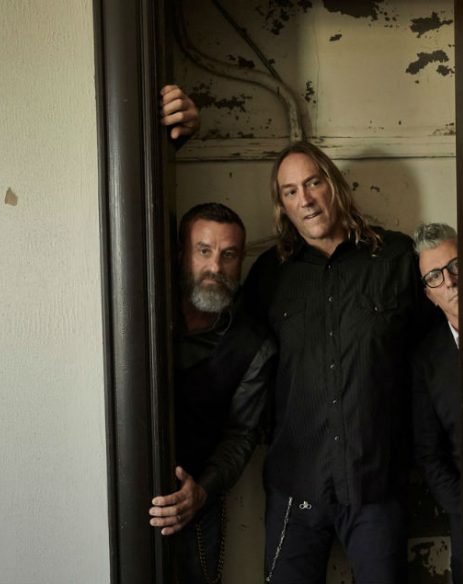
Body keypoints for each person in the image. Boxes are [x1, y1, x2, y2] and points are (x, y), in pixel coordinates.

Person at [243, 141, 429, 584]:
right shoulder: (270, 273)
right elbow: (244, 362)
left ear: (335, 186)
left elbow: (433, 354)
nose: (305, 199)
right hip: (296, 483)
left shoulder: (395, 257)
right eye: (290, 191)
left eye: (313, 183)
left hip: (375, 481)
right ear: (282, 206)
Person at [149, 203, 277, 584]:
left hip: (197, 506)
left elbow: (241, 434)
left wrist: (202, 492)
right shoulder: (144, 314)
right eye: (203, 251)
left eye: (228, 255)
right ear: (181, 254)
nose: (215, 267)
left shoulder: (254, 345)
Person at [411, 223, 463, 584]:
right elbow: (429, 454)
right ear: (429, 295)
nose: (449, 281)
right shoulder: (427, 360)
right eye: (435, 276)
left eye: (456, 265)